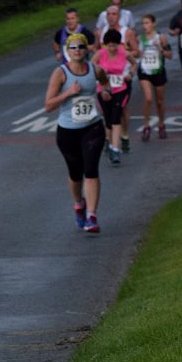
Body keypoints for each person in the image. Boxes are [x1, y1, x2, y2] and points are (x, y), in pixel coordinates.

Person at [44, 32, 109, 234]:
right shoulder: (60, 73)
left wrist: (106, 91)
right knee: (75, 173)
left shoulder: (95, 69)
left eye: (81, 47)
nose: (77, 51)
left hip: (93, 127)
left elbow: (105, 81)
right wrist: (69, 92)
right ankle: (79, 203)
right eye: (73, 47)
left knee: (91, 169)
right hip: (68, 131)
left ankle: (91, 216)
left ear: (87, 49)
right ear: (67, 51)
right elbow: (48, 105)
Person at [94, 28, 135, 165]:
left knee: (116, 117)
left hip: (120, 89)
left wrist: (131, 74)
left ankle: (115, 150)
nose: (112, 48)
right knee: (108, 119)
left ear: (119, 44)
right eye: (109, 45)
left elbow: (134, 64)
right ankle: (110, 143)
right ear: (105, 44)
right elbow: (91, 67)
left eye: (114, 45)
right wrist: (99, 73)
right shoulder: (100, 54)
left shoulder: (125, 53)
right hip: (104, 90)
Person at [136, 13, 172, 140]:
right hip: (144, 71)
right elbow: (137, 55)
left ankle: (161, 125)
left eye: (147, 23)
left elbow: (170, 55)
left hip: (158, 71)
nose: (145, 26)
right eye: (143, 23)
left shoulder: (160, 37)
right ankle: (146, 127)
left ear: (153, 24)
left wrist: (160, 49)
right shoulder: (141, 38)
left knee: (160, 101)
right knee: (148, 98)